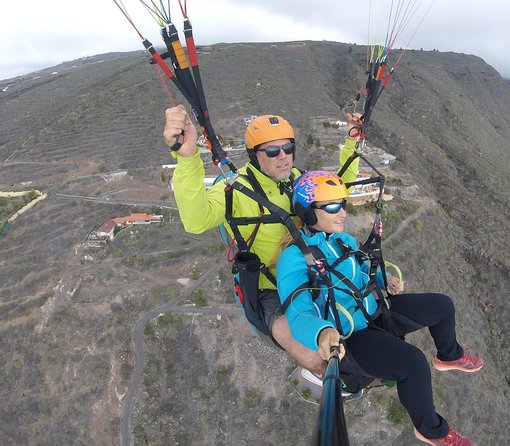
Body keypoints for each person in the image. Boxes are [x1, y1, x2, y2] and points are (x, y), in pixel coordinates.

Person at [276, 170, 483, 446]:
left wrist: (387, 279)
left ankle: (449, 355)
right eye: (333, 206)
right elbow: (297, 311)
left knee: (442, 306)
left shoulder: (342, 240)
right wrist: (322, 332)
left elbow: (364, 269)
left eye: (343, 203)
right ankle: (431, 430)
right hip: (351, 333)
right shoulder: (294, 258)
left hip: (375, 310)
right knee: (413, 363)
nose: (343, 213)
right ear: (309, 212)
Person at [163, 105, 360, 374]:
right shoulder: (236, 190)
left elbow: (337, 189)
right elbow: (196, 221)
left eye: (288, 149)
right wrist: (187, 159)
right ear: (254, 156)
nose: (283, 157)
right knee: (320, 360)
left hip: (310, 275)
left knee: (364, 320)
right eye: (271, 151)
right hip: (270, 290)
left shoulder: (300, 180)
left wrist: (352, 141)